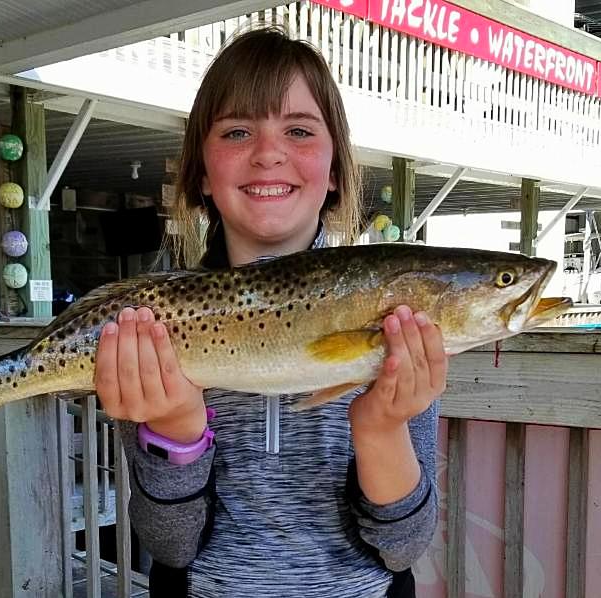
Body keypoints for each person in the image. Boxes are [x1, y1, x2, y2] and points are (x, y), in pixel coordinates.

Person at [95, 26, 445, 598]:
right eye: (237, 131)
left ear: (335, 171)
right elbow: (169, 545)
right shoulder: (158, 324)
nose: (268, 154)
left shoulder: (397, 315)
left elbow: (403, 549)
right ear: (202, 173)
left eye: (299, 130)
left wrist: (381, 428)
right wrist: (177, 429)